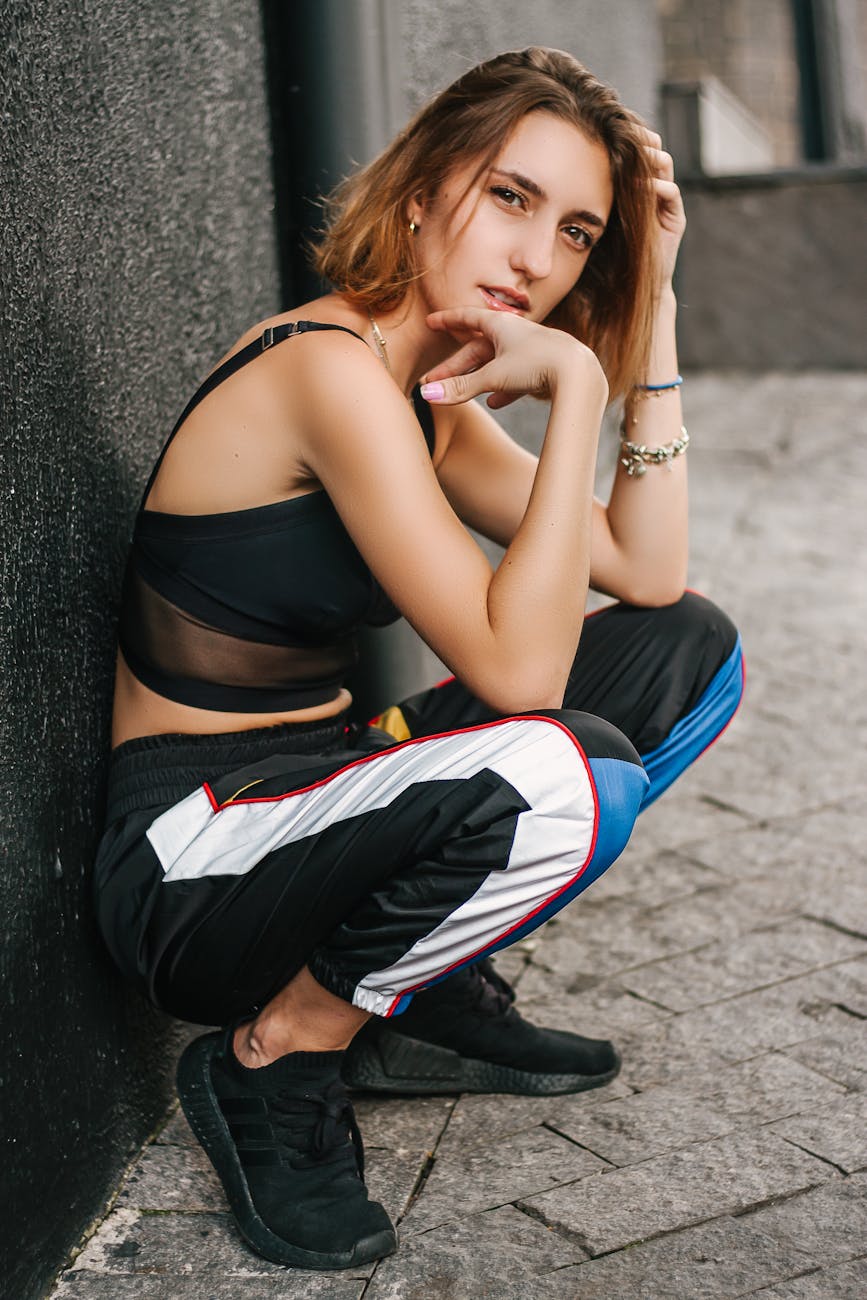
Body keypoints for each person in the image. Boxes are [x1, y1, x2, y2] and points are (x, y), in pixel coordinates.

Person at [94, 47, 744, 1272]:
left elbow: (649, 577)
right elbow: (522, 683)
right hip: (191, 849)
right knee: (567, 773)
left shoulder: (427, 394)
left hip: (325, 784)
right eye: (510, 197)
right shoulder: (327, 372)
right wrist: (575, 390)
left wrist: (647, 303)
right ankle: (280, 1052)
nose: (538, 258)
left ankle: (414, 992)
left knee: (688, 651)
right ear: (420, 189)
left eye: (578, 232)